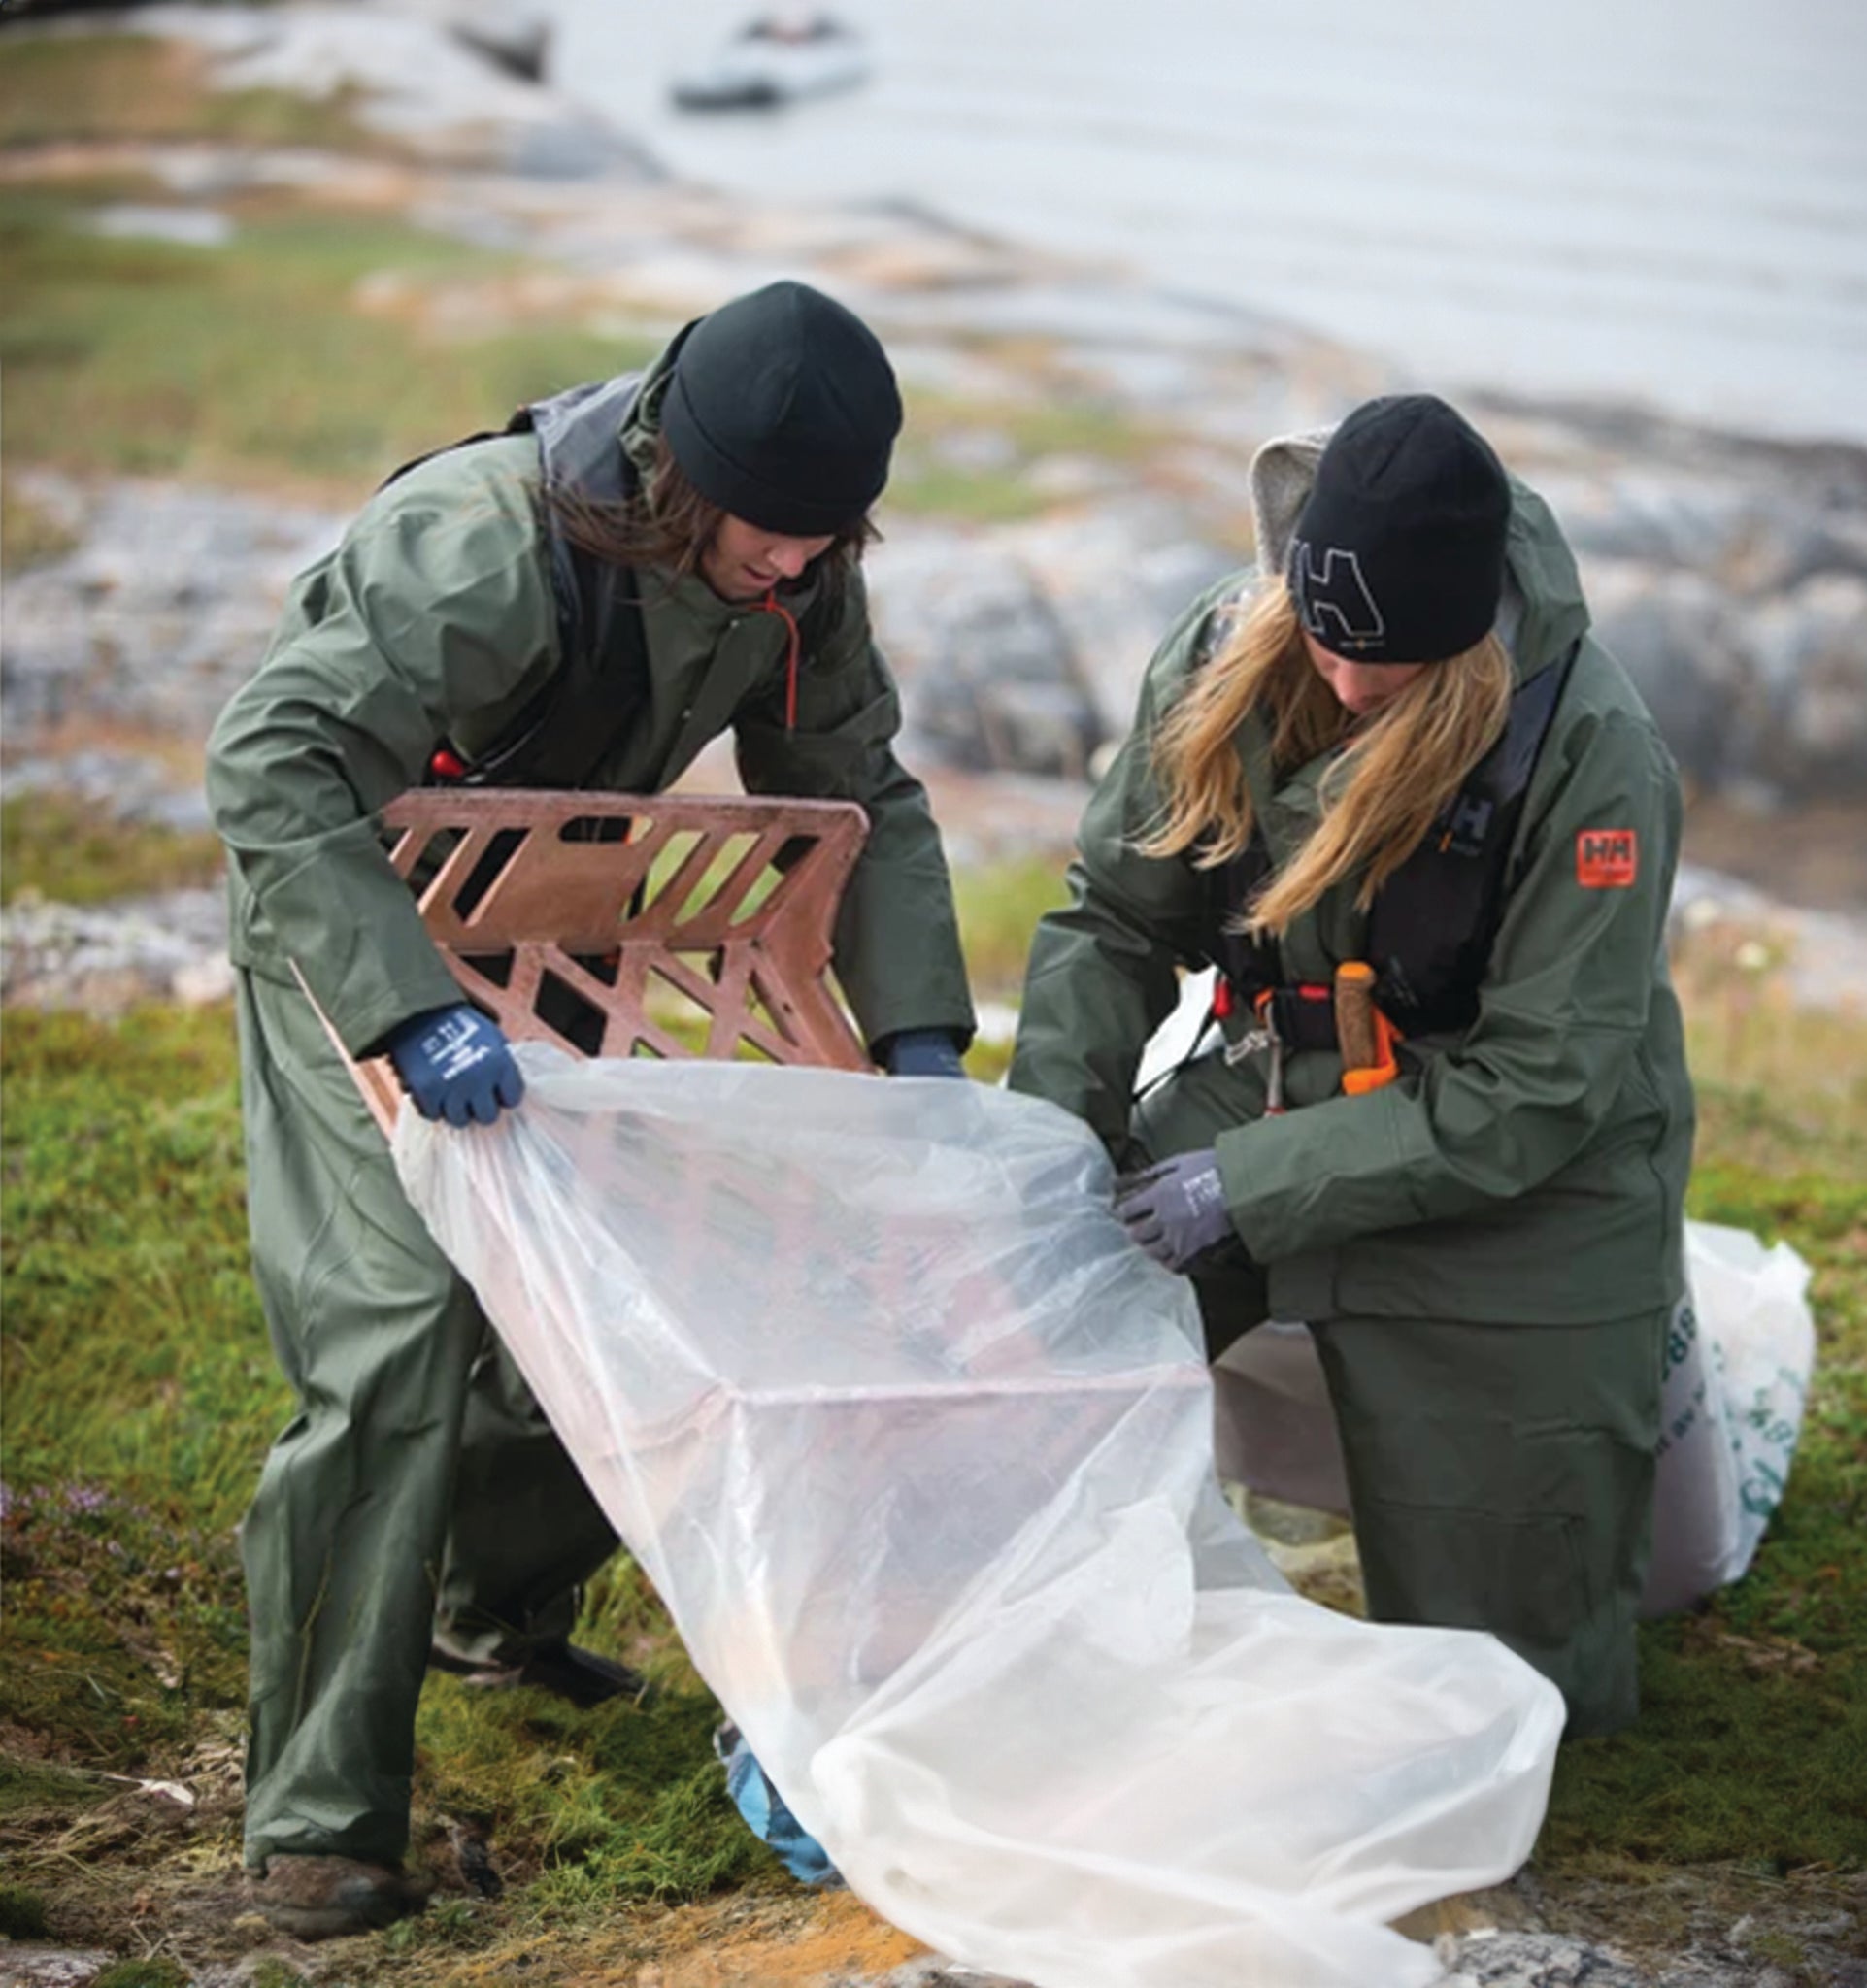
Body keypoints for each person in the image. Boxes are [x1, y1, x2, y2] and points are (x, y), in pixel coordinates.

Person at [206, 281, 975, 1938]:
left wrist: (919, 1039)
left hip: (552, 916)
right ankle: (317, 1816)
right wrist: (409, 1010)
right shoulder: (483, 546)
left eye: (828, 543)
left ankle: (489, 1615)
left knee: (629, 1278)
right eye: (772, 539)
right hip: (356, 920)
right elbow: (269, 759)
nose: (799, 569)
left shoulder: (799, 572)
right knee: (401, 1329)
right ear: (686, 488)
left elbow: (853, 783)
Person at [1008, 394, 1694, 1740]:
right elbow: (1117, 922)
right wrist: (1045, 1153)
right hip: (1277, 1073)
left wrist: (1243, 1188)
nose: (1346, 685)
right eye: (1324, 641)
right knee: (1038, 1338)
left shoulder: (1592, 752)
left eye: (1389, 667)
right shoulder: (1227, 649)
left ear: (1469, 639)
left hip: (1521, 1171)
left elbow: (1542, 1088)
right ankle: (1007, 1642)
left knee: (1510, 1701)